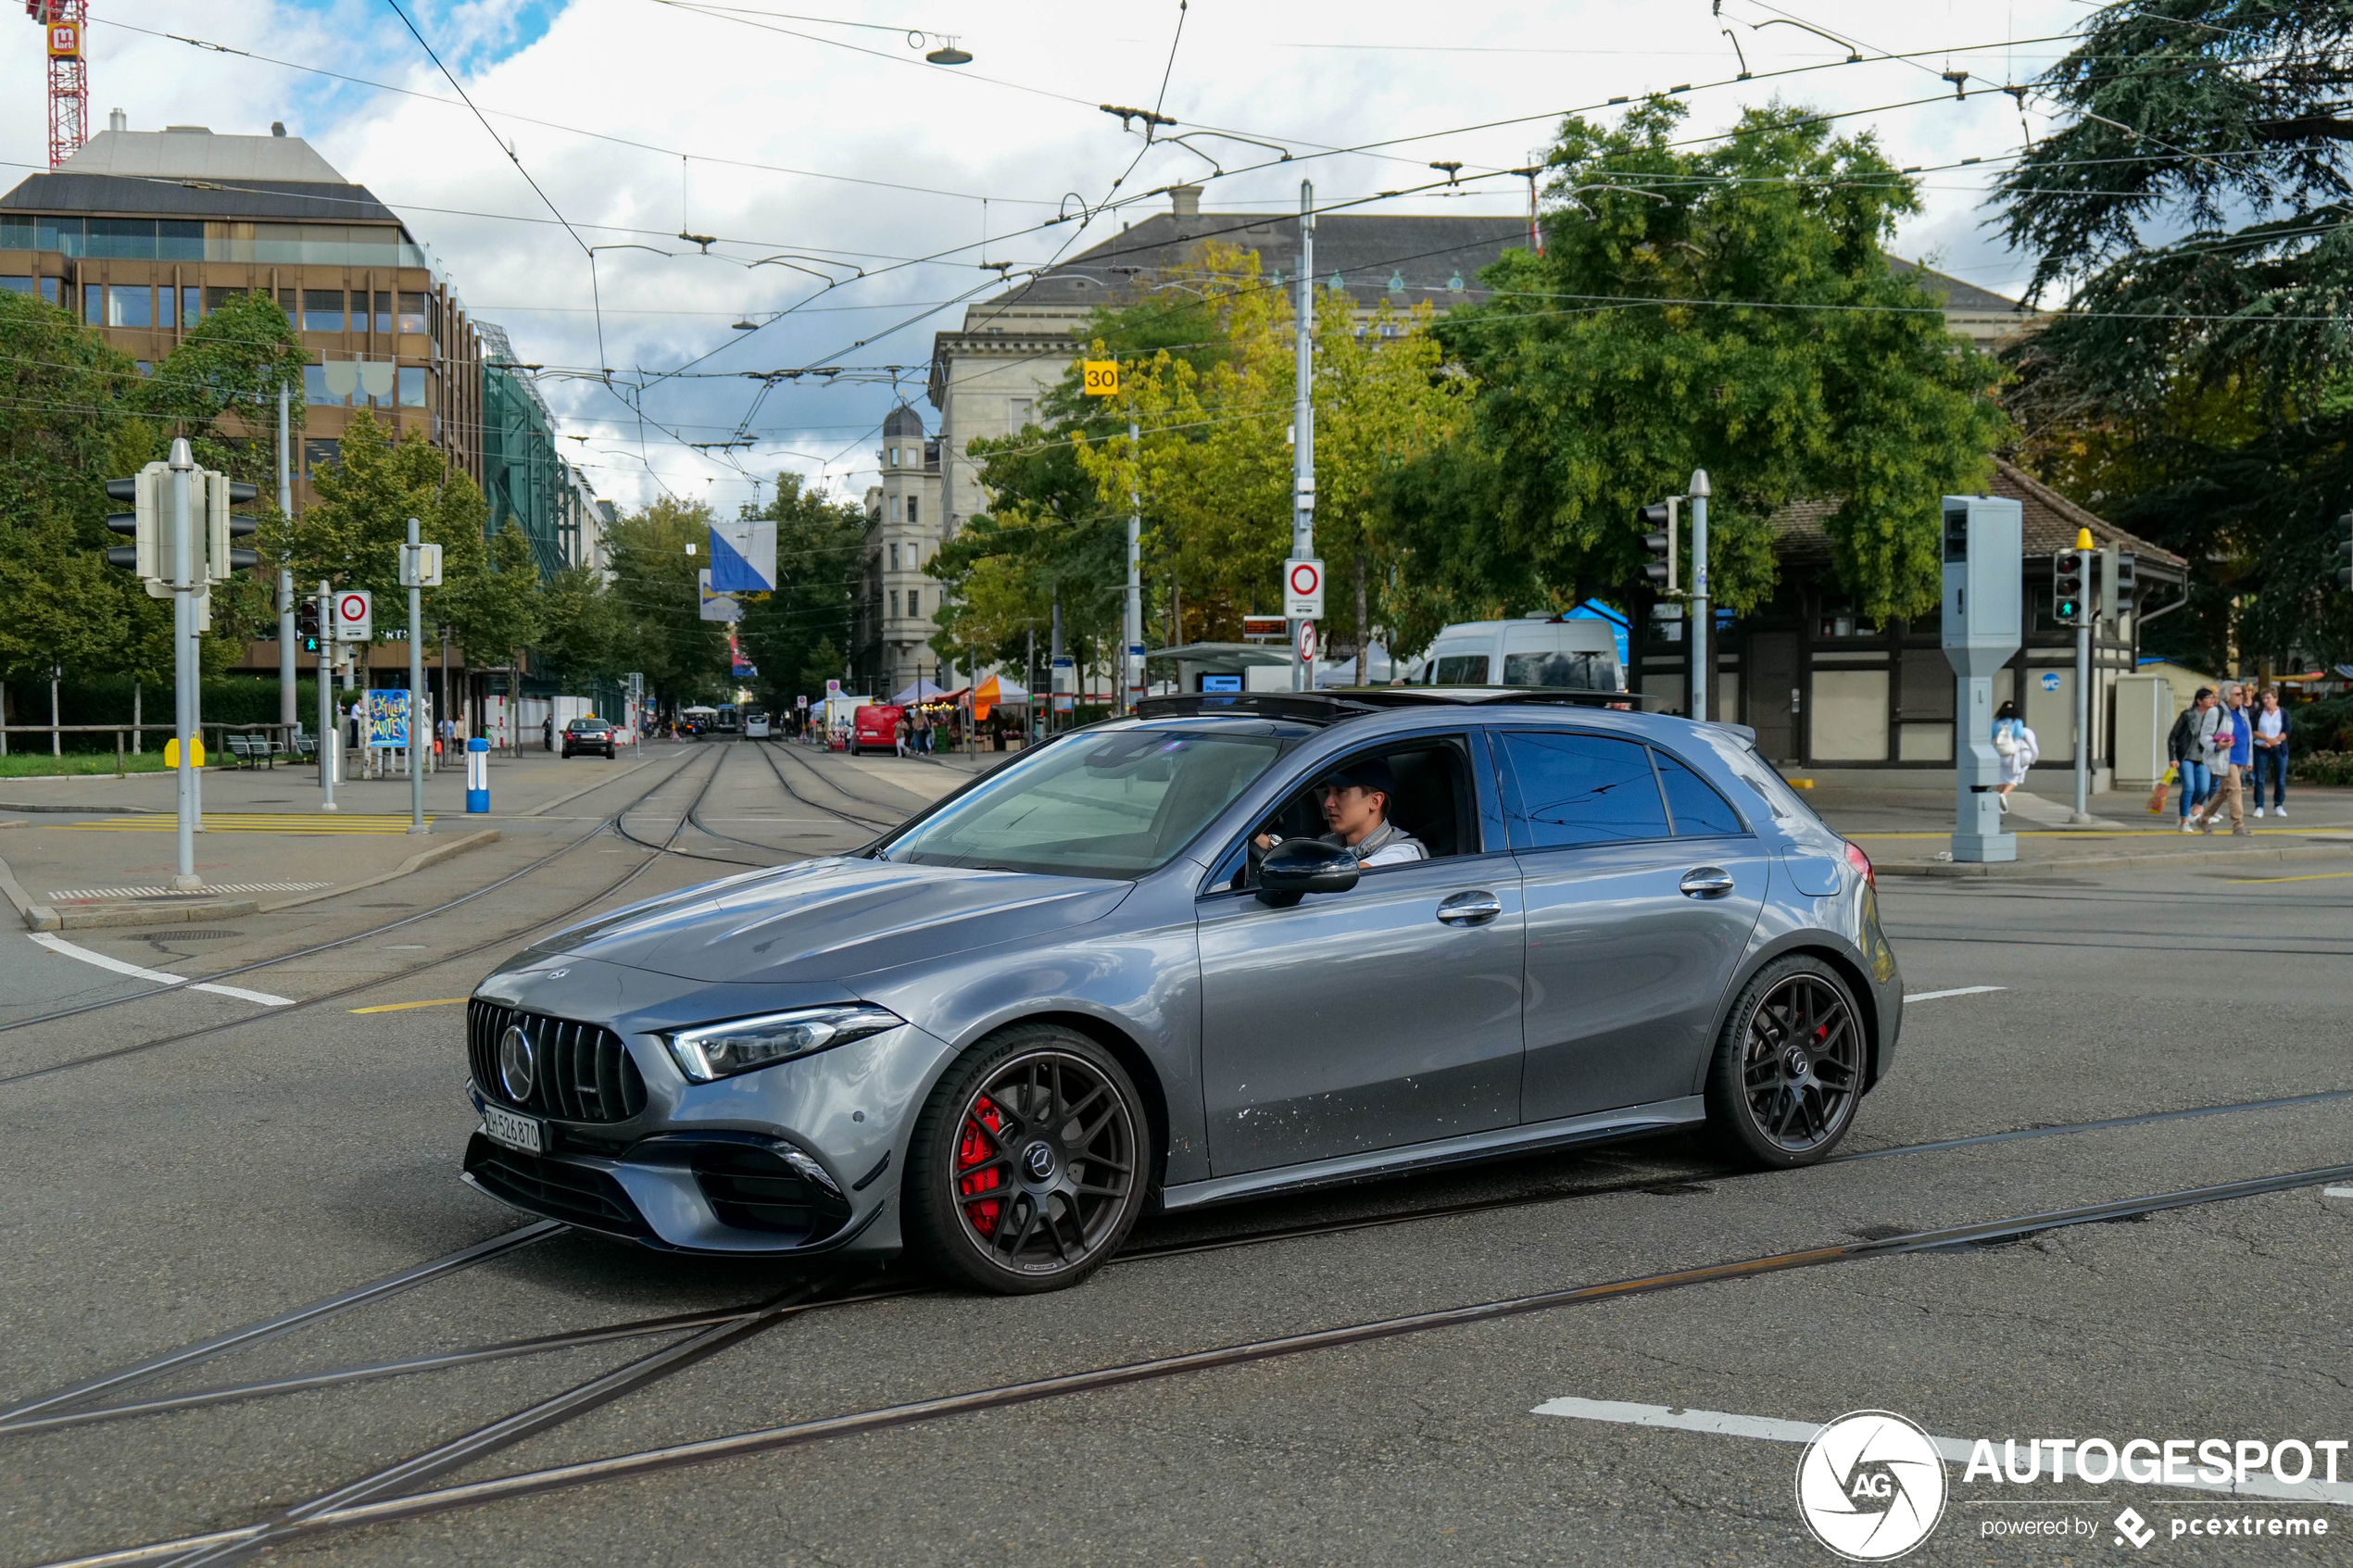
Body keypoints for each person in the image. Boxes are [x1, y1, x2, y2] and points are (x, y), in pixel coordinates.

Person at [1253, 757, 1428, 869]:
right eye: (1327, 792)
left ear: (1375, 801)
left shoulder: (1403, 853)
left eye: (1340, 792)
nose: (1328, 803)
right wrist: (1266, 842)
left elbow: (1345, 873)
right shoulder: (1331, 843)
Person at [2193, 683, 2249, 835]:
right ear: (2227, 696)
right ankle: (2238, 824)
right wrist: (2217, 746)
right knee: (2235, 789)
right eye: (2237, 694)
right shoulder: (2216, 712)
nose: (2241, 697)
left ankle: (2203, 819)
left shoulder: (2243, 712)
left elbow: (2247, 736)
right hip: (2225, 757)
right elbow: (2204, 737)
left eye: (2241, 693)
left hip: (2240, 758)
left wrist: (2249, 759)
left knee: (2224, 792)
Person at [2170, 688, 2215, 831]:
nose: (2212, 700)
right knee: (2189, 787)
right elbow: (2173, 736)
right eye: (2208, 698)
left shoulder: (2213, 716)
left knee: (2203, 789)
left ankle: (2185, 808)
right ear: (2199, 701)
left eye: (2213, 697)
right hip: (2186, 756)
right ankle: (2184, 821)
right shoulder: (2188, 715)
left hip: (2203, 758)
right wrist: (2173, 757)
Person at [1991, 700, 2037, 813]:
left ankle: (1996, 805)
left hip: (1999, 754)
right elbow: (2020, 734)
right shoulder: (2017, 721)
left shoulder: (1996, 722)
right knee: (2013, 780)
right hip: (2012, 755)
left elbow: (1991, 737)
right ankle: (2003, 796)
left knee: (2001, 779)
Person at [2250, 686, 2290, 818]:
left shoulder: (2283, 713)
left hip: (2279, 748)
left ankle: (2279, 805)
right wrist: (2266, 739)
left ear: (2275, 698)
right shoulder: (2259, 712)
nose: (2266, 701)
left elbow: (2286, 731)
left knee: (2280, 778)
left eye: (2268, 698)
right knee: (2260, 779)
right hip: (2262, 747)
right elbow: (2254, 730)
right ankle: (2259, 806)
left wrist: (2275, 740)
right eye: (2264, 698)